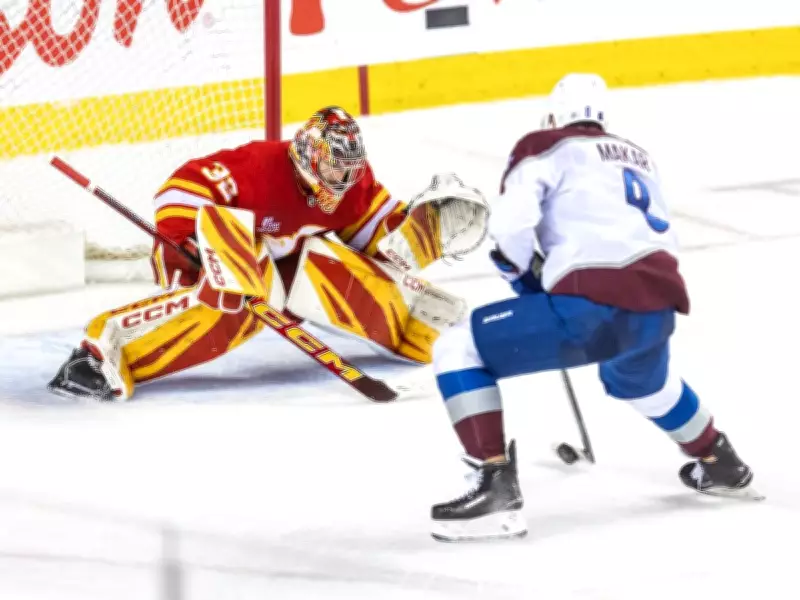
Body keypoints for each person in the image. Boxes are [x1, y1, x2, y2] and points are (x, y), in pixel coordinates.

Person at [428, 74, 758, 543]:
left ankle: (493, 481)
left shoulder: (542, 145)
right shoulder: (639, 157)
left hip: (590, 305)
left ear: (554, 115)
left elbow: (510, 225)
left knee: (459, 347)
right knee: (645, 384)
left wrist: (519, 273)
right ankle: (719, 459)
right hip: (656, 308)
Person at [48, 106, 484, 401]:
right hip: (201, 258)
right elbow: (179, 189)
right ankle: (99, 354)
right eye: (334, 166)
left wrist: (424, 231)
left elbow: (380, 238)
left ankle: (416, 326)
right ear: (309, 155)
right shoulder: (259, 168)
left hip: (277, 265)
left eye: (350, 168)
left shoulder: (349, 186)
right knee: (244, 299)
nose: (344, 178)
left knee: (325, 263)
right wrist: (192, 240)